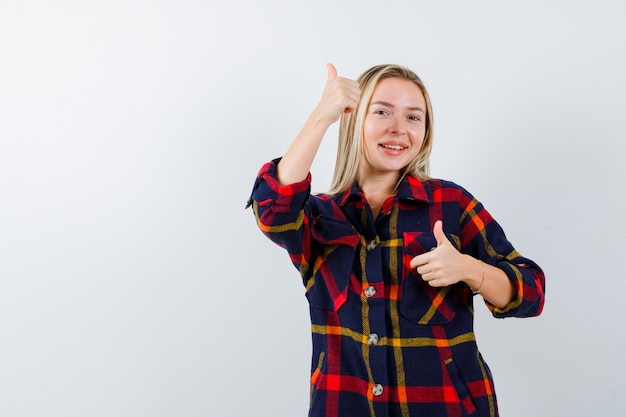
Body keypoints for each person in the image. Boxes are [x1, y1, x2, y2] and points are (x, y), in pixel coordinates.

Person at [246, 63, 545, 417]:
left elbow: (532, 292)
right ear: (353, 119)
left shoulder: (451, 205)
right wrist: (321, 117)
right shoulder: (318, 218)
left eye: (413, 118)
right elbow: (272, 208)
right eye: (382, 111)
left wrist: (468, 268)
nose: (398, 129)